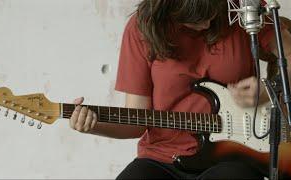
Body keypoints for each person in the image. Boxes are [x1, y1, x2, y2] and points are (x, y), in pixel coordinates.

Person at [69, 0, 291, 179]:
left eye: (213, 12)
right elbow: (135, 125)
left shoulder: (242, 8)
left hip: (235, 155)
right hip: (162, 157)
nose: (207, 24)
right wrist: (93, 125)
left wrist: (268, 89)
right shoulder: (140, 30)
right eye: (197, 19)